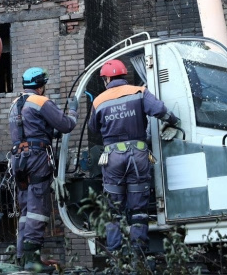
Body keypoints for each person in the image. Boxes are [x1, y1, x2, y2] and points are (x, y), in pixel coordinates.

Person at [87, 59, 180, 253]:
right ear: (124, 75)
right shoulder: (139, 92)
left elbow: (93, 128)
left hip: (112, 158)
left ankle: (116, 254)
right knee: (138, 209)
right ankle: (139, 254)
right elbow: (161, 111)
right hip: (138, 156)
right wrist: (173, 121)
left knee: (113, 209)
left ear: (106, 79)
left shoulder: (99, 101)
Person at [9, 67, 78, 272]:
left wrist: (49, 132)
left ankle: (22, 257)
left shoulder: (15, 104)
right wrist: (73, 111)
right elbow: (66, 125)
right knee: (38, 207)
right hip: (36, 158)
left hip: (18, 160)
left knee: (26, 209)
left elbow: (29, 130)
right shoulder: (40, 101)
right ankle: (32, 260)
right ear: (41, 85)